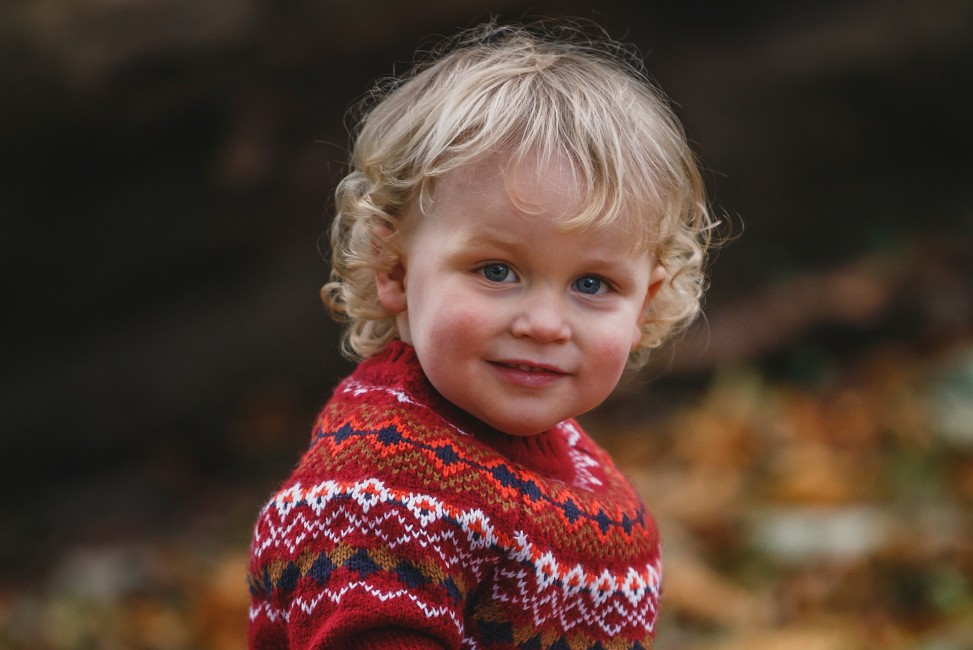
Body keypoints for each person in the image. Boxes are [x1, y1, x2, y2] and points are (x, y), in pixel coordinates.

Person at [248, 19, 715, 649]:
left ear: (646, 301)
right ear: (395, 268)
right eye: (496, 271)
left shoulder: (571, 466)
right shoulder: (381, 492)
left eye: (593, 284)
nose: (546, 325)